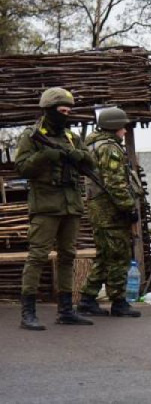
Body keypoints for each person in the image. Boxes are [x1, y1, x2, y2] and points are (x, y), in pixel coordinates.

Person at [15, 87, 95, 330]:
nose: (66, 114)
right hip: (46, 206)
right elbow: (21, 167)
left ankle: (66, 310)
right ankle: (27, 313)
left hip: (71, 206)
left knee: (68, 257)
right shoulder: (32, 135)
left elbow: (91, 162)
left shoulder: (72, 137)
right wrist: (46, 156)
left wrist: (75, 154)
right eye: (62, 110)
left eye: (69, 110)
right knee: (38, 256)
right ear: (49, 110)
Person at [77, 107, 142, 318]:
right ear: (114, 127)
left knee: (105, 256)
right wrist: (128, 207)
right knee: (119, 256)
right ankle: (119, 302)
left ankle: (87, 299)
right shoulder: (109, 149)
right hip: (111, 211)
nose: (125, 131)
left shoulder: (94, 144)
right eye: (122, 126)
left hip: (100, 209)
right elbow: (115, 183)